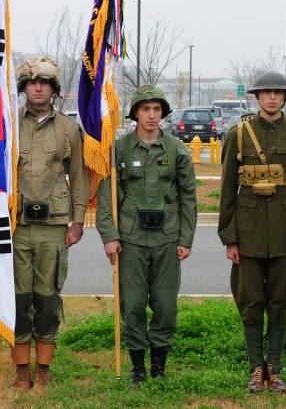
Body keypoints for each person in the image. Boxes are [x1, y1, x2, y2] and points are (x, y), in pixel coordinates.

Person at [217, 71, 286, 394]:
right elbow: (226, 193)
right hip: (248, 237)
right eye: (266, 92)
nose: (272, 98)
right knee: (251, 303)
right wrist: (230, 238)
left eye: (278, 92)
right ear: (256, 96)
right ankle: (255, 368)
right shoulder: (238, 135)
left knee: (281, 303)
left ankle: (275, 369)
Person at [96, 85, 197, 384]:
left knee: (165, 305)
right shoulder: (121, 149)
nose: (151, 116)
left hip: (167, 238)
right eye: (145, 109)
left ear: (163, 114)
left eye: (156, 110)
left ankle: (160, 365)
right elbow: (107, 195)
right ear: (136, 114)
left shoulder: (177, 149)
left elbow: (188, 197)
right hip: (131, 240)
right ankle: (138, 366)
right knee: (134, 303)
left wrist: (185, 239)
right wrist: (109, 235)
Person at [12, 56, 89, 390]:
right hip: (15, 224)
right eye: (32, 82)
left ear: (55, 89)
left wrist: (78, 221)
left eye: (44, 82)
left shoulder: (69, 129)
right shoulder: (9, 123)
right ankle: (19, 370)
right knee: (17, 298)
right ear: (23, 87)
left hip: (54, 225)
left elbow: (79, 178)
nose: (38, 87)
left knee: (46, 297)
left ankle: (42, 369)